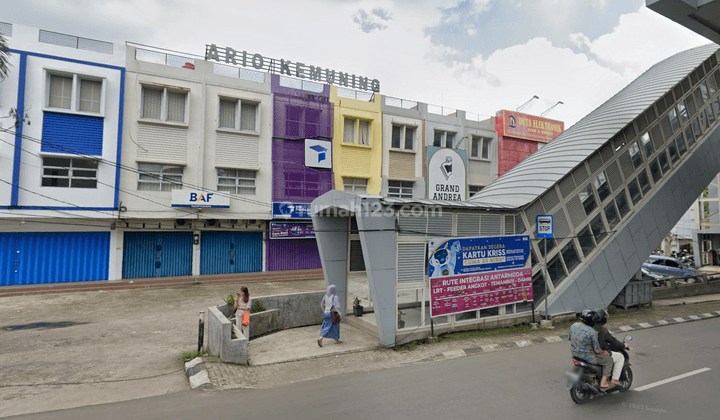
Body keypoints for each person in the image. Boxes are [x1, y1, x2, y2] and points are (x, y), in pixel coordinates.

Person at [568, 309, 615, 390]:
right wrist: (604, 352)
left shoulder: (573, 325)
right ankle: (603, 382)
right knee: (609, 360)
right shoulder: (592, 332)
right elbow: (597, 350)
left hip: (575, 354)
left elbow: (570, 338)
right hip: (588, 357)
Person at [592, 308, 629, 386]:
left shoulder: (589, 328)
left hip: (589, 353)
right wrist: (623, 345)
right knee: (620, 357)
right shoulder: (603, 331)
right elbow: (614, 341)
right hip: (599, 354)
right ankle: (614, 379)